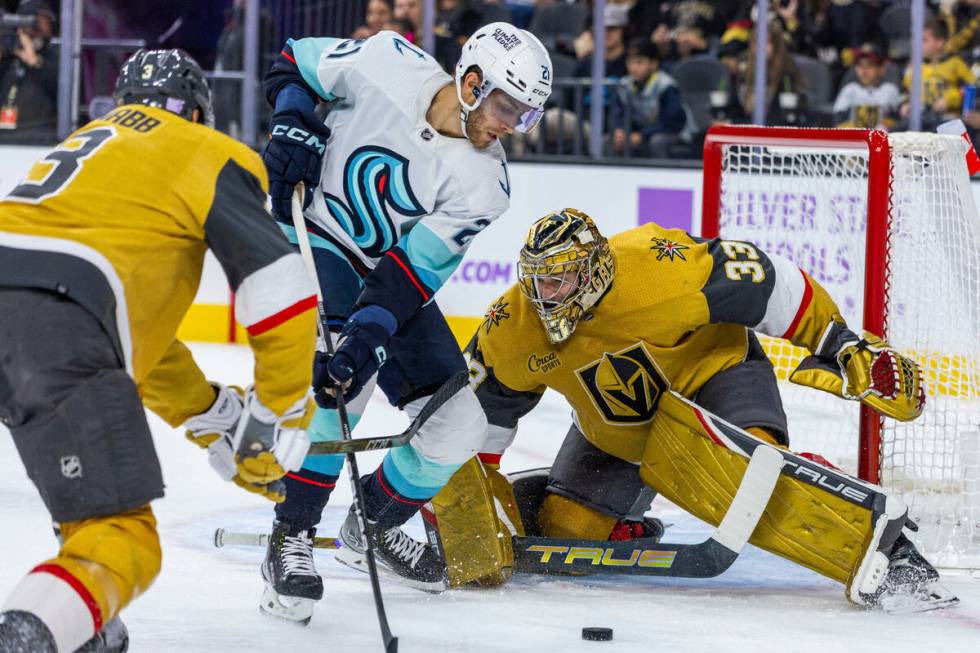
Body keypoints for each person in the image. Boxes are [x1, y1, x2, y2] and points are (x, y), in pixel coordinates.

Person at [442, 208, 955, 611]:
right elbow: (485, 417)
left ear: (595, 270)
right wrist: (478, 498)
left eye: (558, 282)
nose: (543, 296)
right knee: (565, 542)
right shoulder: (511, 327)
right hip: (614, 434)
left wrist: (841, 344)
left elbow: (771, 283)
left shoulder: (658, 268)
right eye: (535, 281)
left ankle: (875, 535)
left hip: (714, 378)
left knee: (750, 480)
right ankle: (624, 522)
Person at [0, 49, 319, 653]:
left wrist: (213, 418)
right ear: (200, 111)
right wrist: (277, 412)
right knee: (123, 536)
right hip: (58, 321)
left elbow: (129, 338)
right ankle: (31, 634)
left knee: (87, 509)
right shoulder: (206, 149)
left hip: (46, 309)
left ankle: (79, 613)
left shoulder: (93, 143)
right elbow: (280, 288)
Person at [256, 22, 551, 623]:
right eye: (505, 107)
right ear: (471, 82)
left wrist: (370, 332)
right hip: (311, 237)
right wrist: (291, 117)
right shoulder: (385, 57)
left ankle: (371, 525)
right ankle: (291, 534)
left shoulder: (485, 183)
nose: (509, 127)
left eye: (525, 117)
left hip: (380, 271)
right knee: (344, 384)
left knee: (458, 424)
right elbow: (294, 59)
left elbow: (408, 274)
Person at [610, 39, 689, 158]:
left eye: (639, 62)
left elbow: (671, 122)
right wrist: (620, 130)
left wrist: (642, 136)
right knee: (607, 141)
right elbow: (618, 113)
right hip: (638, 133)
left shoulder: (666, 86)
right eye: (630, 62)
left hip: (675, 134)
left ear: (654, 64)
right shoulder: (624, 86)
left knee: (657, 142)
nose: (633, 68)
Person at [899, 18, 976, 130]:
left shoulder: (956, 63)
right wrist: (905, 104)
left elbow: (971, 89)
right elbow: (905, 92)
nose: (918, 44)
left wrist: (950, 99)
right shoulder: (913, 67)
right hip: (919, 120)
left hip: (948, 119)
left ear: (940, 43)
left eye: (924, 40)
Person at [0, 0, 59, 143]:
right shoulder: (10, 55)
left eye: (46, 22)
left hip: (38, 139)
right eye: (37, 22)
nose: (44, 27)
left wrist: (35, 62)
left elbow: (62, 91)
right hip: (4, 136)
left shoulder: (57, 58)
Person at [833, 45, 901, 129]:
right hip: (853, 137)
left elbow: (898, 118)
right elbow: (838, 118)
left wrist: (887, 124)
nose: (864, 70)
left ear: (881, 69)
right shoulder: (849, 89)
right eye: (860, 66)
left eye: (870, 65)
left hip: (882, 138)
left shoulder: (890, 90)